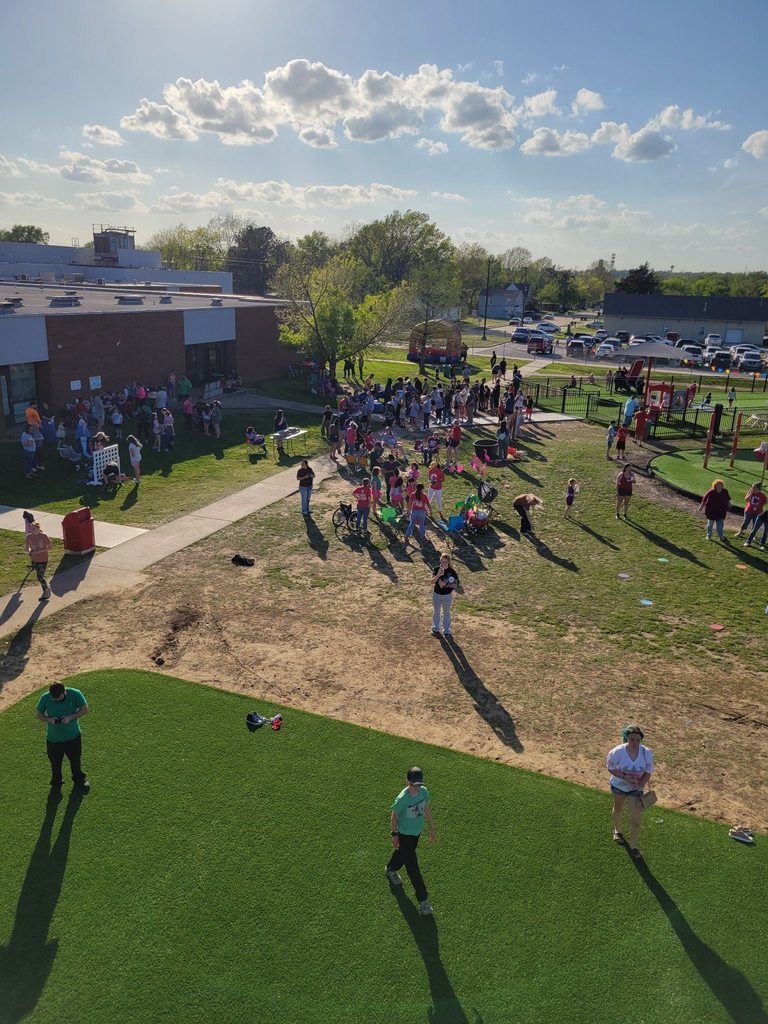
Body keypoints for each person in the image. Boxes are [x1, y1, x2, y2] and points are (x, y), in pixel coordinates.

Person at [385, 766, 435, 916]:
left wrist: (432, 828)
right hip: (405, 835)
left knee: (405, 854)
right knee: (413, 868)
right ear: (408, 782)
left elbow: (425, 808)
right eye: (414, 785)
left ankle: (391, 868)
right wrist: (394, 835)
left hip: (415, 834)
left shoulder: (424, 792)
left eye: (419, 785)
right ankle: (424, 902)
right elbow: (394, 816)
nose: (417, 788)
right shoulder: (402, 799)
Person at [606, 725, 654, 860]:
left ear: (641, 740)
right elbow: (610, 767)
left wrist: (639, 785)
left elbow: (648, 772)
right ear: (626, 737)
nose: (634, 743)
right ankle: (617, 831)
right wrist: (624, 777)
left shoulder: (646, 753)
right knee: (619, 808)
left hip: (636, 789)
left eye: (637, 740)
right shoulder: (617, 752)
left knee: (636, 819)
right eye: (632, 739)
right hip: (619, 786)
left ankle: (633, 846)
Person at [35, 681, 90, 794]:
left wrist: (70, 717)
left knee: (75, 760)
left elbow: (85, 709)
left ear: (64, 691)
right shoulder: (45, 698)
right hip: (53, 739)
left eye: (59, 698)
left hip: (73, 736)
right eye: (54, 699)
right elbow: (39, 714)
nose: (56, 701)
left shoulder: (75, 694)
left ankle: (79, 780)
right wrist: (50, 720)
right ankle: (56, 782)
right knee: (55, 763)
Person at [431, 552, 459, 638]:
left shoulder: (452, 572)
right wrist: (438, 574)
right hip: (436, 594)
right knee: (436, 611)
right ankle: (435, 628)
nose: (443, 563)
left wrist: (445, 584)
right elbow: (432, 582)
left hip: (447, 595)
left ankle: (446, 630)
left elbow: (455, 585)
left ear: (448, 562)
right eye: (442, 561)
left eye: (445, 562)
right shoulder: (436, 569)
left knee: (446, 612)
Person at [25, 521, 52, 601]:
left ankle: (46, 591)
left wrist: (38, 552)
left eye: (34, 528)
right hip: (34, 560)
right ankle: (46, 588)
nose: (32, 530)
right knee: (40, 575)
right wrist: (29, 551)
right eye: (31, 529)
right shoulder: (28, 537)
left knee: (39, 576)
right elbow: (27, 548)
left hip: (43, 559)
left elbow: (50, 547)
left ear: (38, 528)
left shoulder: (43, 536)